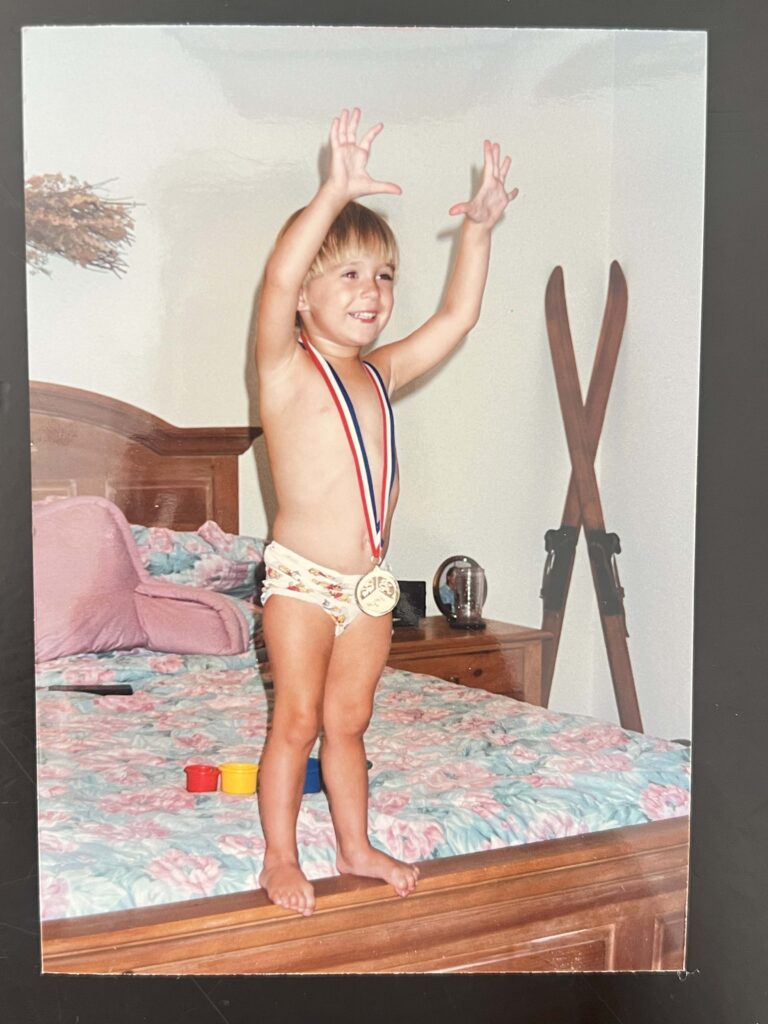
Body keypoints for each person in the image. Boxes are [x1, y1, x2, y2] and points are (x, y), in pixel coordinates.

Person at [254, 107, 517, 916]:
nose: (372, 292)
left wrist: (477, 231)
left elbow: (457, 319)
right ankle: (277, 855)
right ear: (304, 298)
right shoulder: (284, 368)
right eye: (348, 275)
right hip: (301, 581)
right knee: (296, 721)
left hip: (368, 586)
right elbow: (272, 279)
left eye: (384, 276)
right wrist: (332, 195)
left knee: (351, 721)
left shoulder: (383, 373)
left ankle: (355, 844)